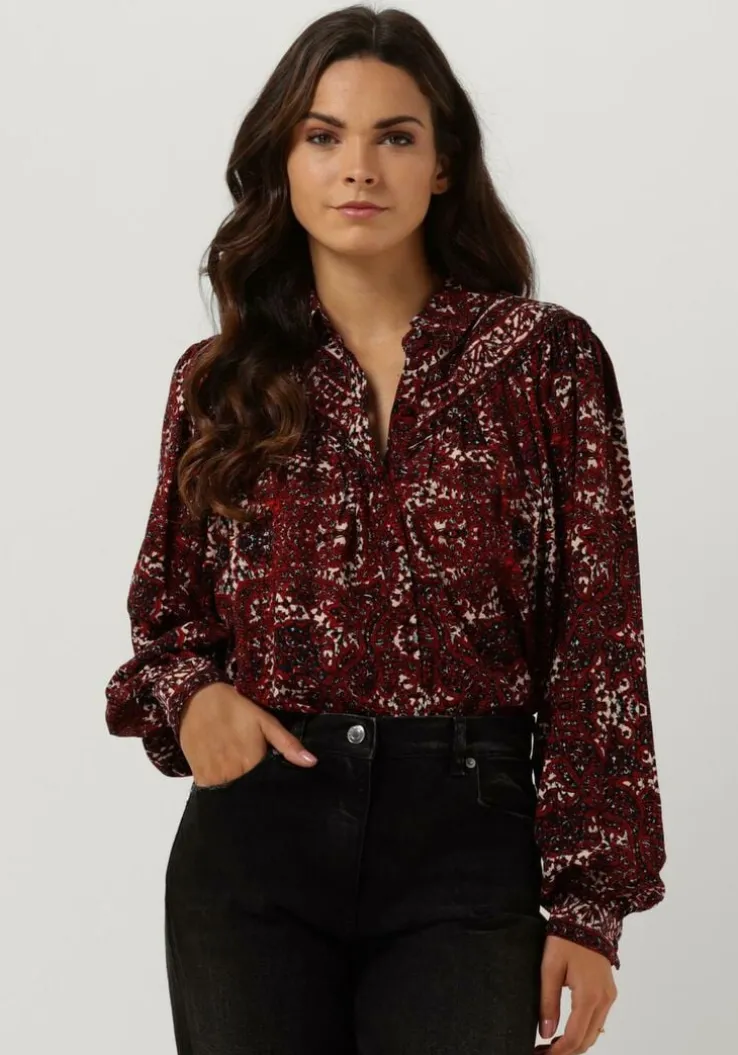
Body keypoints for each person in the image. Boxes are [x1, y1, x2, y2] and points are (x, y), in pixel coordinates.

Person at [104, 6, 666, 1054]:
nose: (358, 167)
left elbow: (598, 638)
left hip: (468, 843)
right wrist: (193, 696)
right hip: (255, 843)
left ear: (443, 163)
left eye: (394, 136)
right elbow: (166, 608)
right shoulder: (219, 380)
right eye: (324, 136)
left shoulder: (544, 362)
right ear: (283, 160)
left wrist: (589, 909)